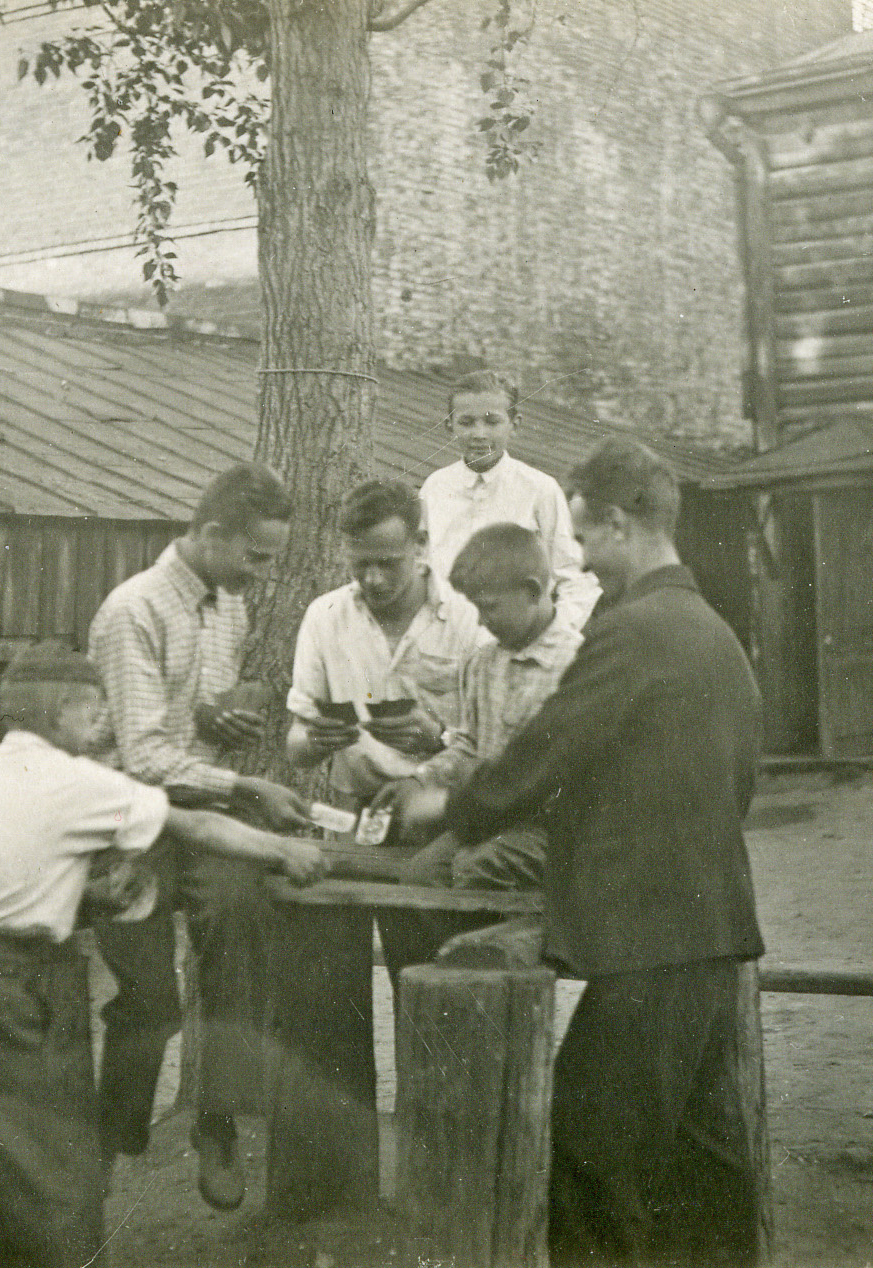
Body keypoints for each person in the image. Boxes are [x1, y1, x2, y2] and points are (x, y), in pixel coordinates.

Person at [0, 641, 326, 1268]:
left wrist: (84, 895)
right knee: (51, 1182)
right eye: (94, 715)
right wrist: (283, 852)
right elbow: (193, 826)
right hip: (6, 990)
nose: (104, 727)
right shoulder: (77, 780)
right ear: (61, 711)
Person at [437, 438, 769, 1266]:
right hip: (706, 929)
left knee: (590, 1156)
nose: (580, 563)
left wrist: (451, 802)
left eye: (584, 542)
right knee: (703, 1167)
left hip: (651, 938)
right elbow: (735, 785)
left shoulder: (636, 631)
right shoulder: (709, 628)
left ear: (619, 525)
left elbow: (547, 753)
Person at [87, 461, 313, 1211]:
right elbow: (145, 755)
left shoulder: (227, 607)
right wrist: (247, 785)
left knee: (241, 915)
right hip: (129, 822)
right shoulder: (135, 610)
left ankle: (216, 1122)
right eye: (256, 555)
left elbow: (192, 718)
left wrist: (223, 711)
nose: (264, 571)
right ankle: (112, 1139)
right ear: (211, 534)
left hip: (200, 818)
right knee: (147, 995)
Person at [369, 522, 581, 971]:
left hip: (553, 832)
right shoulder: (484, 663)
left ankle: (479, 997)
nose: (481, 622)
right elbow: (467, 745)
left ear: (533, 590)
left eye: (489, 608)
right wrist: (418, 780)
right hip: (483, 822)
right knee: (409, 884)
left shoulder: (578, 666)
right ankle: (425, 1015)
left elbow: (571, 778)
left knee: (471, 872)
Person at [284, 478, 484, 805]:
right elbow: (296, 746)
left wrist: (438, 738)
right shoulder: (325, 615)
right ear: (345, 550)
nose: (374, 579)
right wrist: (317, 740)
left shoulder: (469, 620)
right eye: (360, 564)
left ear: (419, 545)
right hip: (354, 810)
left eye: (388, 563)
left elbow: (497, 753)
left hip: (443, 808)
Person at [419, 369, 601, 630]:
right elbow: (420, 568)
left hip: (515, 639)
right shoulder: (434, 488)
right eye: (466, 422)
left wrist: (552, 633)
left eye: (492, 422)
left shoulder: (540, 489)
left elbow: (576, 578)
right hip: (445, 636)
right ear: (449, 424)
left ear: (514, 424)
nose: (479, 434)